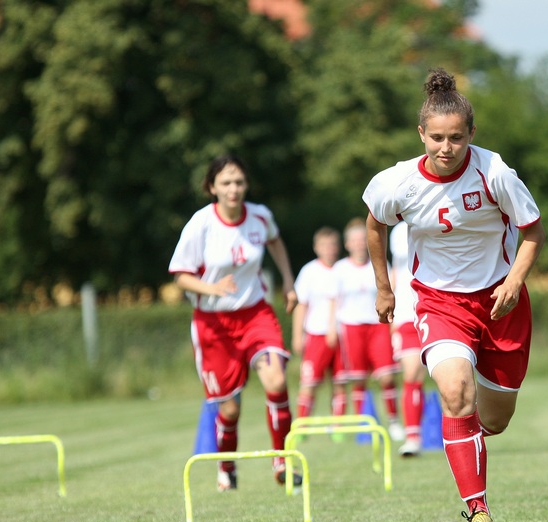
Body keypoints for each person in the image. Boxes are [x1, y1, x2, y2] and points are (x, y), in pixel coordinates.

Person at [363, 68, 546, 522]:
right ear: (421, 134)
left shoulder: (495, 173)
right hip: (439, 303)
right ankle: (478, 511)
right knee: (455, 392)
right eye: (437, 138)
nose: (446, 149)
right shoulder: (398, 182)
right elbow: (374, 225)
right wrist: (385, 288)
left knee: (495, 420)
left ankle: (472, 436)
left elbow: (533, 232)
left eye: (457, 139)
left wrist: (514, 281)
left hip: (500, 303)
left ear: (472, 135)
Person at [169, 155, 302, 491]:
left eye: (239, 182)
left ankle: (281, 461)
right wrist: (210, 288)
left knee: (275, 379)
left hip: (255, 313)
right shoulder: (201, 224)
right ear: (212, 187)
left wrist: (288, 281)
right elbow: (181, 277)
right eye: (226, 183)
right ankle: (226, 467)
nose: (234, 189)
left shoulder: (260, 216)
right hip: (213, 324)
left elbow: (275, 242)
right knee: (229, 409)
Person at [332, 218, 405, 442]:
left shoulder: (380, 264)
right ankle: (363, 421)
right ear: (347, 244)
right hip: (352, 327)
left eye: (362, 239)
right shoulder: (340, 269)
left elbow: (393, 291)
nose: (358, 244)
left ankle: (393, 421)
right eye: (353, 240)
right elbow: (334, 301)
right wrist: (332, 327)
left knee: (386, 376)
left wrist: (394, 324)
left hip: (378, 325)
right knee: (358, 378)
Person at [292, 227, 348, 421]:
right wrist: (297, 335)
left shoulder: (344, 269)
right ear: (316, 248)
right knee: (309, 382)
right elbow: (301, 305)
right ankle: (302, 424)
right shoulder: (309, 271)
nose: (329, 249)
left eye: (332, 245)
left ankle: (338, 425)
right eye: (324, 245)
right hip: (317, 333)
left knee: (340, 381)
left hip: (343, 334)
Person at [389, 220, 427, 457]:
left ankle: (458, 432)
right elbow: (395, 270)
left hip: (436, 308)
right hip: (405, 313)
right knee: (412, 373)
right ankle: (412, 437)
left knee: (451, 380)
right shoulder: (397, 231)